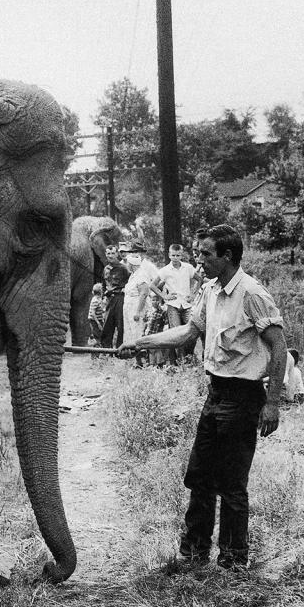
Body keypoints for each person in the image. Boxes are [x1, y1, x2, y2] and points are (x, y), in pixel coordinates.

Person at [117, 224, 288, 570]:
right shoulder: (209, 290)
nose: (199, 260)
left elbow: (279, 346)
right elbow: (187, 333)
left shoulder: (253, 293)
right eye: (197, 253)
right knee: (200, 475)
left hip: (243, 398)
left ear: (227, 256)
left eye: (206, 254)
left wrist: (272, 403)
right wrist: (139, 343)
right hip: (215, 394)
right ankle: (194, 553)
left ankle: (233, 561)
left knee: (232, 483)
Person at [151, 243, 197, 363]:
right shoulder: (165, 270)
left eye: (178, 255)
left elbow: (199, 279)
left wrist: (193, 294)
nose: (175, 258)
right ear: (169, 255)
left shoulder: (188, 267)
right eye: (173, 255)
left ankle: (189, 357)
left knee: (192, 331)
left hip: (186, 305)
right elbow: (152, 285)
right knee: (176, 334)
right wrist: (164, 296)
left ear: (181, 255)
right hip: (173, 305)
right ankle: (179, 361)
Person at [100, 262, 130, 348]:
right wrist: (103, 297)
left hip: (120, 297)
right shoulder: (106, 268)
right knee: (107, 324)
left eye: (113, 253)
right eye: (108, 253)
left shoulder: (123, 268)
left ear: (116, 254)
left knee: (120, 324)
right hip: (109, 299)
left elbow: (129, 281)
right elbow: (103, 284)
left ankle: (120, 349)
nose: (110, 256)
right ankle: (106, 350)